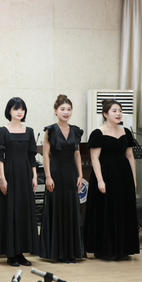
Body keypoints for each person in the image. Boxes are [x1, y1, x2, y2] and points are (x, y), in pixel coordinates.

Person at [85, 99, 139, 260]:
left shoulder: (126, 132)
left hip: (123, 176)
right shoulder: (98, 133)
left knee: (123, 210)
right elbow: (95, 158)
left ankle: (123, 249)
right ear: (105, 114)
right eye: (114, 111)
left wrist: (134, 178)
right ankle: (105, 249)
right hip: (106, 175)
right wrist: (100, 180)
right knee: (106, 211)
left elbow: (130, 156)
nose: (118, 114)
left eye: (120, 111)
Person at [0, 97, 39, 267]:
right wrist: (2, 179)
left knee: (23, 212)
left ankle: (21, 253)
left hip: (25, 175)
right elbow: (0, 158)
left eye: (22, 109)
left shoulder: (29, 131)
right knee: (10, 212)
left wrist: (34, 176)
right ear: (9, 111)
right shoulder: (1, 131)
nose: (20, 112)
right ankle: (11, 254)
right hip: (9, 175)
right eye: (16, 109)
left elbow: (32, 157)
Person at [39, 95, 86, 263]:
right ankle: (56, 252)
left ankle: (71, 253)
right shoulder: (50, 130)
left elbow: (77, 153)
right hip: (55, 174)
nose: (66, 112)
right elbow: (46, 154)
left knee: (71, 212)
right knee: (57, 211)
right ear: (56, 111)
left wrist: (80, 174)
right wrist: (48, 176)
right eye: (62, 109)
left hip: (71, 174)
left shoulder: (76, 130)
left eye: (69, 109)